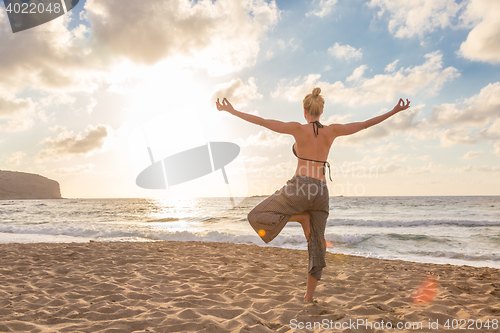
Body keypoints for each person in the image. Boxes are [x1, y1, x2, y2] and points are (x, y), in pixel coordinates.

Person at [215, 88, 410, 302]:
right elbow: (364, 125)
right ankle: (308, 297)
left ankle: (301, 218)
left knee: (256, 215)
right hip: (321, 191)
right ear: (321, 110)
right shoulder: (332, 131)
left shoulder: (298, 129)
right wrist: (394, 111)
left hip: (300, 187)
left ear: (305, 111)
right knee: (317, 245)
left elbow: (263, 121)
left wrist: (233, 112)